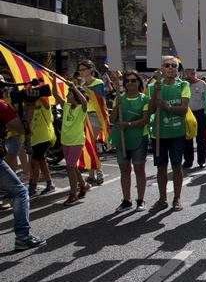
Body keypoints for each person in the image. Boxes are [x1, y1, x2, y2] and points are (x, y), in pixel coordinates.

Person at [0, 95, 47, 250]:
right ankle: (22, 237)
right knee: (20, 192)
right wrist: (30, 105)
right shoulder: (2, 106)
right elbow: (22, 127)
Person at [148, 56, 191, 211]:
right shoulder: (153, 86)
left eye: (174, 65)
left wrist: (166, 106)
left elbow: (183, 109)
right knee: (161, 167)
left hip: (177, 133)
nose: (171, 68)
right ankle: (162, 199)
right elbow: (151, 109)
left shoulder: (183, 85)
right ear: (161, 69)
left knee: (177, 165)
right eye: (167, 65)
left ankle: (177, 198)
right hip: (159, 134)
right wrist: (156, 93)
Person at [111, 70, 151, 211]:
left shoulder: (145, 99)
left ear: (139, 82)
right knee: (124, 170)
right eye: (127, 81)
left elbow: (145, 120)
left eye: (133, 80)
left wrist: (128, 125)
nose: (130, 83)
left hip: (139, 138)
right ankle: (126, 200)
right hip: (122, 139)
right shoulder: (119, 98)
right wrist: (117, 105)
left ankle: (140, 200)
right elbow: (112, 119)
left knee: (139, 169)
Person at [55, 81, 90, 205]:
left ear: (75, 96)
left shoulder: (81, 108)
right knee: (72, 166)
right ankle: (84, 185)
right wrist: (53, 79)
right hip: (65, 141)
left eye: (69, 94)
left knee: (69, 166)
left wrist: (74, 88)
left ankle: (73, 194)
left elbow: (85, 102)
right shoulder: (65, 106)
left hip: (76, 141)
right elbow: (55, 94)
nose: (66, 96)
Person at [77, 60, 105, 186]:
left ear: (91, 69)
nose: (81, 72)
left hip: (94, 116)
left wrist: (82, 89)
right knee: (87, 145)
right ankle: (92, 175)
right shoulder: (82, 84)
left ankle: (98, 172)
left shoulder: (98, 82)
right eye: (80, 70)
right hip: (83, 116)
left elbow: (99, 99)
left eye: (83, 69)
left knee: (90, 144)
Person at [26, 84, 55, 196]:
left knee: (34, 163)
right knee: (42, 162)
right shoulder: (29, 107)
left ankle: (32, 186)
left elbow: (46, 104)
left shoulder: (44, 107)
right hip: (33, 140)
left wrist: (38, 94)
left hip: (44, 139)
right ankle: (49, 183)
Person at [182, 68, 206, 170]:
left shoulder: (201, 83)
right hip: (187, 113)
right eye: (188, 70)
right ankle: (188, 160)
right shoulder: (182, 84)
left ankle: (201, 161)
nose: (191, 72)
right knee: (187, 138)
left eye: (193, 70)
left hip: (199, 113)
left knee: (201, 138)